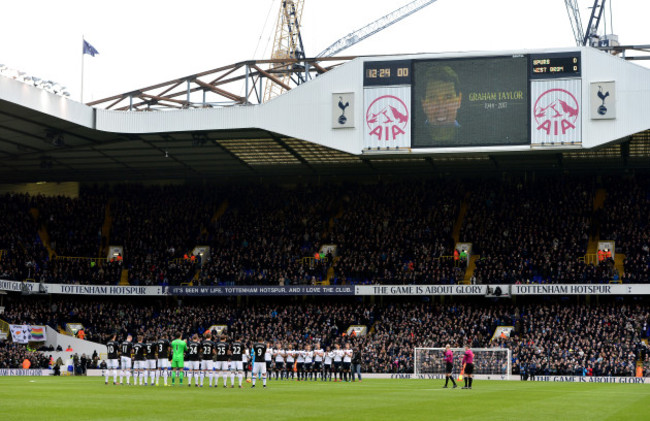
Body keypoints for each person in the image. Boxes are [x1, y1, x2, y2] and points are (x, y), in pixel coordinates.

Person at [417, 65, 463, 144]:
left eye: (448, 97)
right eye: (433, 98)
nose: (441, 107)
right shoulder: (416, 135)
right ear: (424, 104)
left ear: (459, 100)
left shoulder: (472, 134)